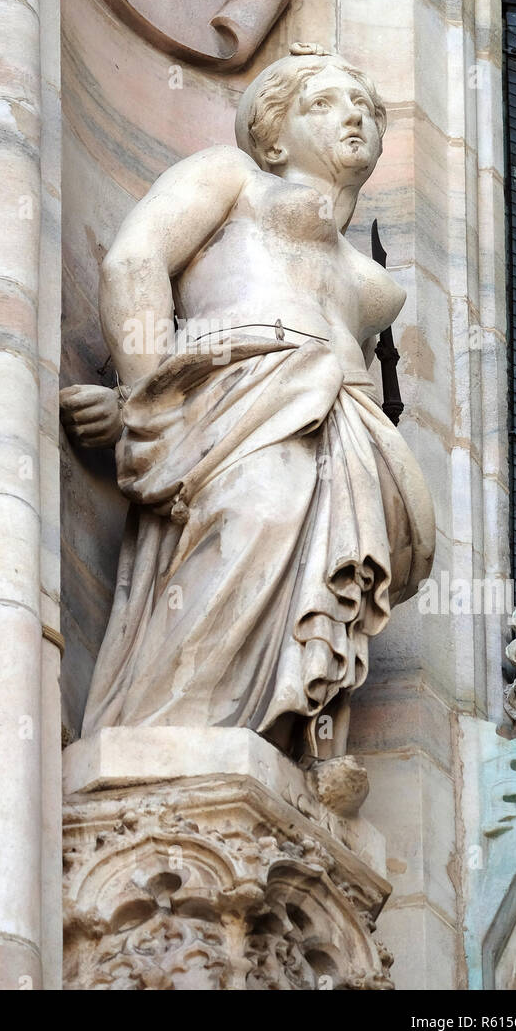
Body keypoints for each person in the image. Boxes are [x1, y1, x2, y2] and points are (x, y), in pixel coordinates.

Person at [60, 43, 435, 762]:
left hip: (341, 416)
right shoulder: (231, 176)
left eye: (364, 108)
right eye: (322, 103)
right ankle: (172, 729)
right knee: (250, 518)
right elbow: (136, 261)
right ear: (270, 131)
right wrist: (147, 400)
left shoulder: (372, 283)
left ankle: (278, 735)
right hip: (236, 393)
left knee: (322, 577)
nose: (351, 116)